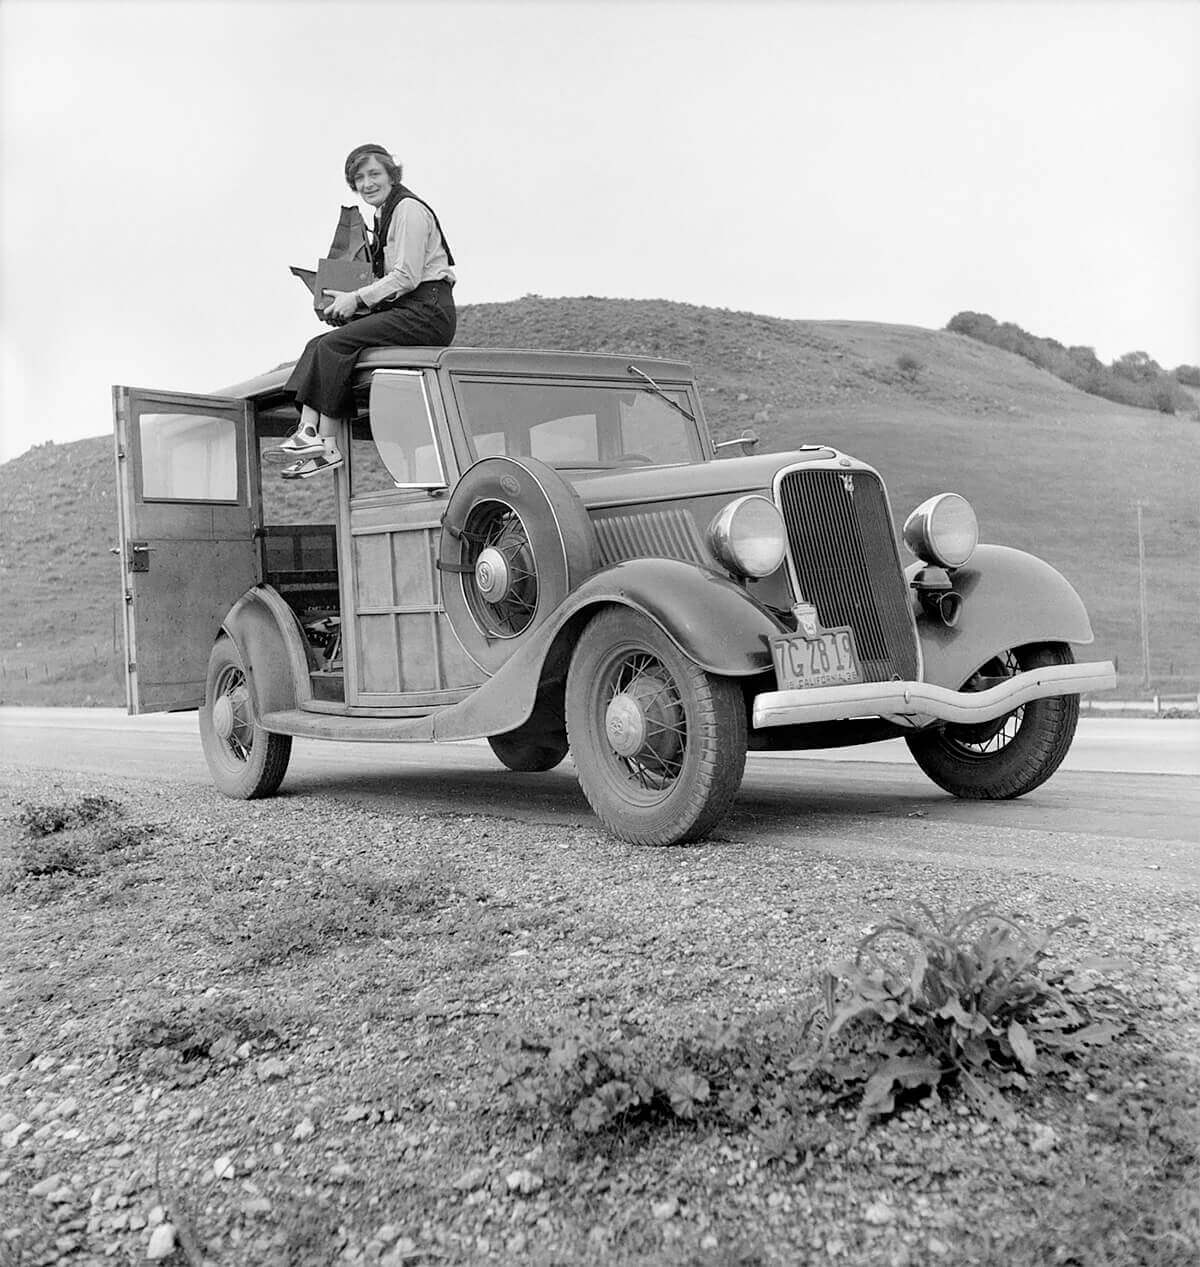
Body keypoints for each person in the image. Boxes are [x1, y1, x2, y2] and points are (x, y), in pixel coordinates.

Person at [279, 143, 457, 479]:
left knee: (335, 345)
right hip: (407, 306)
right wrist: (345, 299)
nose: (367, 183)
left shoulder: (408, 210)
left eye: (374, 174)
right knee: (319, 344)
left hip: (428, 310)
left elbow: (407, 275)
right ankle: (313, 437)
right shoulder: (382, 214)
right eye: (359, 178)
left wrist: (357, 299)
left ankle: (321, 442)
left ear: (391, 174)